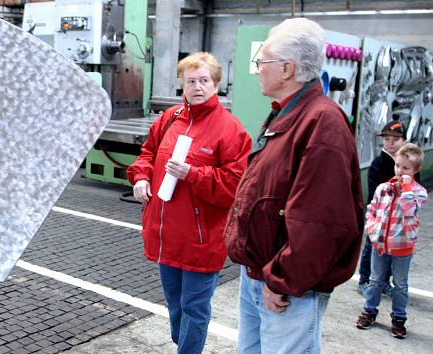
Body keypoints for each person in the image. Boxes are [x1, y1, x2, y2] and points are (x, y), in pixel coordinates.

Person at [224, 18, 364, 353]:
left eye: (263, 62)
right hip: (260, 274)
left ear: (287, 68)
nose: (257, 69)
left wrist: (282, 280)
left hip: (285, 288)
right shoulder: (288, 113)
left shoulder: (321, 123)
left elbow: (320, 223)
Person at [127, 52, 252, 353]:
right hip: (166, 234)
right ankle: (182, 343)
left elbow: (236, 185)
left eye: (204, 81)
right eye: (191, 81)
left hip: (201, 239)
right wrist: (141, 177)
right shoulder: (168, 120)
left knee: (194, 308)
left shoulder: (230, 130)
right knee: (175, 305)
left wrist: (193, 174)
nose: (198, 86)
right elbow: (147, 154)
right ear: (182, 85)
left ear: (216, 85)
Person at [356, 143, 427, 339]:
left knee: (400, 284)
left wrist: (404, 188)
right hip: (380, 244)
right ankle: (369, 310)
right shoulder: (383, 188)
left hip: (402, 247)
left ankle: (398, 318)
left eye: (405, 168)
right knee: (375, 280)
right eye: (398, 166)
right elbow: (372, 209)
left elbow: (408, 210)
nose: (400, 170)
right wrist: (371, 229)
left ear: (415, 170)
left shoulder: (418, 193)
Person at [357, 121, 415, 296]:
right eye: (387, 139)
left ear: (404, 141)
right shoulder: (379, 164)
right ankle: (365, 280)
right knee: (371, 246)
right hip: (380, 216)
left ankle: (384, 281)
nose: (390, 143)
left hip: (400, 218)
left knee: (393, 249)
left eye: (395, 139)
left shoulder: (410, 165)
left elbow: (414, 190)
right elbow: (376, 195)